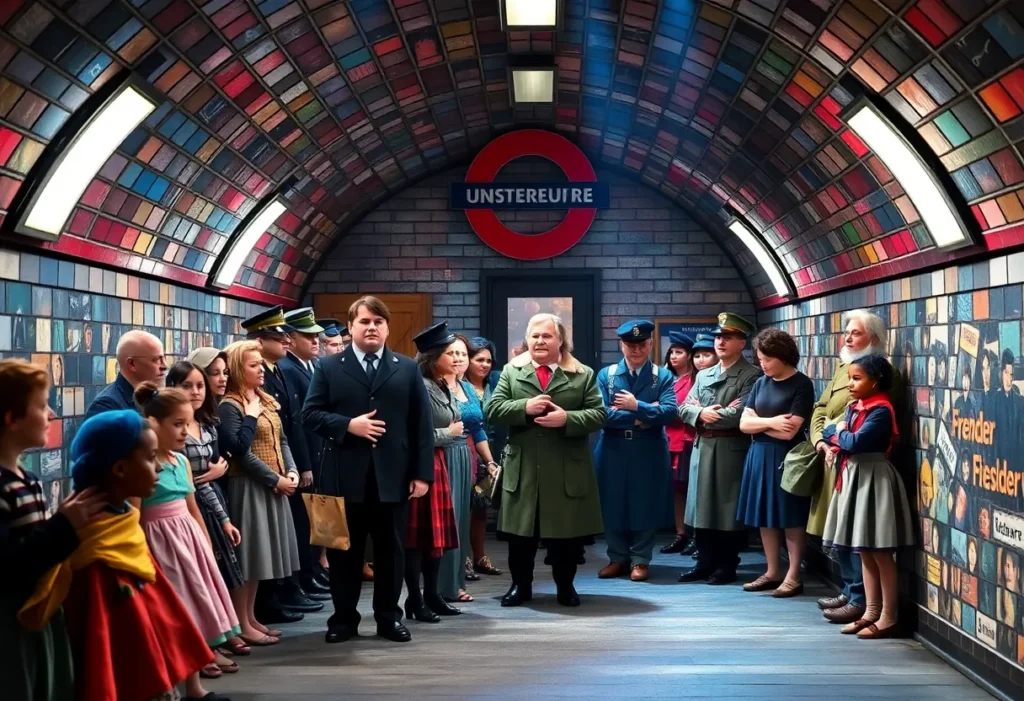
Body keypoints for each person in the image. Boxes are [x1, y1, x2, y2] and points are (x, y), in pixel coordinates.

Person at [20, 409, 219, 701]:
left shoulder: (122, 523)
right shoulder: (96, 549)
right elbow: (100, 642)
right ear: (121, 469)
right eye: (150, 458)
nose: (159, 467)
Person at [301, 295, 434, 644]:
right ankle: (343, 619)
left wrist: (422, 474)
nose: (371, 327)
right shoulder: (329, 367)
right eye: (364, 321)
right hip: (344, 476)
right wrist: (348, 425)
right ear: (351, 327)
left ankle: (389, 618)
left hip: (394, 477)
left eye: (378, 321)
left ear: (387, 328)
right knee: (344, 553)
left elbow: (421, 425)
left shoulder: (407, 368)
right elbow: (309, 415)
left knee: (391, 553)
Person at [0, 360, 106, 701]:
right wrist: (63, 525)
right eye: (42, 405)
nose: (51, 414)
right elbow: (10, 565)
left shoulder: (27, 479)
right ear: (11, 418)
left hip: (39, 615)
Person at [486, 313, 606, 607]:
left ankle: (565, 587)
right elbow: (492, 409)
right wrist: (524, 406)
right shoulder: (511, 372)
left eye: (547, 336)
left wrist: (568, 419)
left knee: (566, 536)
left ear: (561, 340)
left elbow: (599, 415)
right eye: (535, 336)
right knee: (520, 538)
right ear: (527, 339)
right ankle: (520, 586)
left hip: (566, 469)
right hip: (524, 469)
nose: (540, 341)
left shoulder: (583, 374)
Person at [135, 384, 241, 687]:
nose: (185, 431)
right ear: (155, 423)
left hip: (189, 541)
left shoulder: (181, 462)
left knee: (197, 600)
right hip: (160, 544)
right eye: (177, 424)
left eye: (188, 423)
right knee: (178, 606)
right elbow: (136, 516)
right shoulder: (145, 464)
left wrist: (206, 544)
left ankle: (199, 668)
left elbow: (193, 508)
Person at [808, 310, 903, 625]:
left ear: (873, 338)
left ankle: (866, 603)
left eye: (856, 333)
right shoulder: (844, 368)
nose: (848, 338)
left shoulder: (883, 379)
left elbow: (856, 432)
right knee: (850, 533)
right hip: (841, 464)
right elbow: (822, 410)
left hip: (865, 469)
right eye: (846, 332)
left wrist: (837, 434)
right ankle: (854, 595)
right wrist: (822, 440)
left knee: (870, 539)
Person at [821, 354, 914, 638]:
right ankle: (870, 612)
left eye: (857, 378)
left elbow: (856, 442)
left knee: (881, 552)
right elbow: (828, 430)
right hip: (855, 476)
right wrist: (840, 433)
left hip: (874, 478)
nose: (850, 384)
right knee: (864, 550)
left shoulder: (881, 410)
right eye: (850, 377)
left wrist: (840, 432)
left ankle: (888, 616)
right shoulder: (855, 406)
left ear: (876, 381)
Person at [218, 340, 302, 646]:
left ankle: (250, 617)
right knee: (247, 558)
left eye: (260, 364)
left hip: (273, 484)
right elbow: (241, 454)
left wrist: (291, 471)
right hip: (249, 486)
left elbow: (282, 440)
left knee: (258, 559)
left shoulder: (263, 398)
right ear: (238, 370)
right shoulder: (231, 405)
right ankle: (240, 623)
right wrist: (275, 479)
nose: (261, 370)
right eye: (254, 366)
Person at [242, 307, 322, 620]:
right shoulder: (269, 375)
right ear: (259, 342)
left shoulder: (276, 371)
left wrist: (295, 465)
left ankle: (288, 589)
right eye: (279, 337)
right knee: (270, 540)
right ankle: (275, 597)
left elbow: (289, 426)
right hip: (267, 470)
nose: (286, 341)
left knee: (286, 534)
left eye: (287, 336)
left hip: (285, 464)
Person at [166, 361, 249, 659]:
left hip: (212, 500)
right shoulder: (169, 429)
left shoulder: (208, 422)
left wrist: (218, 472)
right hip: (184, 506)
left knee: (222, 569)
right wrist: (209, 474)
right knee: (196, 576)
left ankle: (226, 631)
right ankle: (207, 643)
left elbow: (219, 458)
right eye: (187, 386)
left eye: (200, 386)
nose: (195, 392)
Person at [677, 313, 760, 585]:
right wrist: (701, 412)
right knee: (701, 507)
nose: (720, 342)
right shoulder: (704, 374)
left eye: (728, 337)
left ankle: (727, 564)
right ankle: (704, 562)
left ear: (742, 342)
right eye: (718, 337)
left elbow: (740, 413)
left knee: (727, 508)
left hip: (730, 447)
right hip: (703, 445)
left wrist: (706, 412)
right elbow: (684, 407)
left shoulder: (751, 375)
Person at [594, 320, 677, 582]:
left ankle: (640, 559)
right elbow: (600, 415)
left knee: (645, 501)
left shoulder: (662, 376)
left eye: (642, 344)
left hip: (648, 448)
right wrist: (644, 414)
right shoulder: (607, 375)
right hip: (613, 446)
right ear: (621, 345)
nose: (637, 350)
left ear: (650, 344)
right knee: (612, 500)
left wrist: (635, 405)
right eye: (631, 345)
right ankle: (617, 557)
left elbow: (670, 412)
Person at [737, 329, 815, 597]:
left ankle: (793, 575)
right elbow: (743, 424)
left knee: (790, 516)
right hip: (758, 454)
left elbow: (789, 432)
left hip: (786, 457)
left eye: (767, 359)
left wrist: (758, 424)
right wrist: (771, 422)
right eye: (760, 359)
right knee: (765, 516)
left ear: (783, 356)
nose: (763, 364)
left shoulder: (801, 384)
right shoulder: (761, 383)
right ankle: (772, 571)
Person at [404, 322, 463, 623]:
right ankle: (414, 599)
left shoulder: (441, 383)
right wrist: (448, 434)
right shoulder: (421, 386)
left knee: (435, 537)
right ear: (432, 357)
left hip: (438, 462)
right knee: (417, 539)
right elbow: (415, 434)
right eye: (449, 353)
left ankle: (432, 595)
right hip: (421, 463)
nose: (456, 358)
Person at [279, 307, 331, 599]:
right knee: (302, 520)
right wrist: (304, 463)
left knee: (315, 518)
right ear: (290, 338)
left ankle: (313, 570)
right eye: (307, 336)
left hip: (319, 452)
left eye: (316, 336)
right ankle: (304, 576)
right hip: (304, 457)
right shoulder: (288, 368)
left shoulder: (310, 366)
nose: (315, 341)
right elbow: (298, 422)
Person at [436, 335, 481, 603]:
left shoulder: (466, 386)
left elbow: (478, 427)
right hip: (445, 455)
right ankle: (444, 586)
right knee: (448, 521)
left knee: (463, 519)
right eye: (452, 353)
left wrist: (489, 461)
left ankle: (456, 582)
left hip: (467, 454)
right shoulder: (432, 386)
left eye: (463, 354)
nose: (458, 358)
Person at [464, 336, 503, 577]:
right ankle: (463, 559)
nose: (485, 365)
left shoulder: (495, 382)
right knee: (463, 508)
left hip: (493, 450)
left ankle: (480, 556)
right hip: (467, 450)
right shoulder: (459, 385)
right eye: (479, 360)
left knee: (481, 507)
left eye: (488, 360)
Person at [662, 332, 697, 555]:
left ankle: (695, 536)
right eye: (672, 352)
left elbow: (681, 410)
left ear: (689, 355)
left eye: (679, 352)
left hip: (687, 440)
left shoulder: (694, 379)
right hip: (669, 440)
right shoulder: (667, 378)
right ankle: (681, 534)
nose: (674, 356)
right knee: (677, 491)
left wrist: (660, 408)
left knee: (692, 490)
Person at [85, 330, 167, 419]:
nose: (165, 366)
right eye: (156, 360)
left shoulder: (155, 400)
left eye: (164, 358)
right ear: (132, 364)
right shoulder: (107, 407)